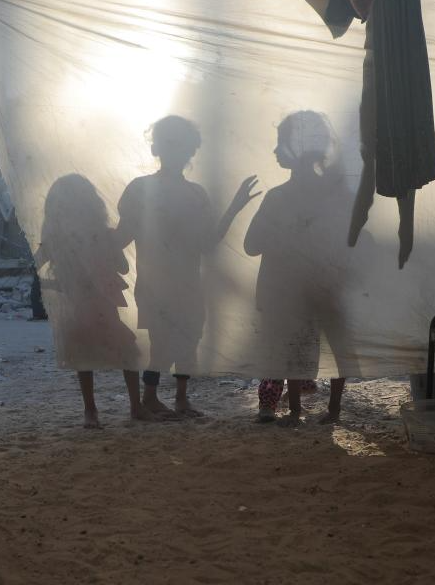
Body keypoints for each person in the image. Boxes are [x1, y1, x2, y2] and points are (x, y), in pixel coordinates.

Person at [116, 115, 259, 417]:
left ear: (190, 151)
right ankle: (151, 397)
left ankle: (180, 398)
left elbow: (206, 243)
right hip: (155, 285)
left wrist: (235, 208)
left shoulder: (195, 194)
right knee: (162, 343)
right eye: (170, 143)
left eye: (181, 145)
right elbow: (122, 236)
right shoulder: (141, 189)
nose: (176, 151)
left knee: (189, 340)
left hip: (188, 284)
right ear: (157, 148)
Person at [244, 111, 350, 426]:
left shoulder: (279, 197)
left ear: (297, 146)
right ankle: (331, 409)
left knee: (292, 348)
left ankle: (294, 410)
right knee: (327, 348)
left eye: (281, 143)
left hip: (285, 290)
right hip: (322, 286)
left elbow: (251, 245)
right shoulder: (335, 195)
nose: (275, 151)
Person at [35, 174, 156, 428]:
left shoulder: (66, 240)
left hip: (90, 309)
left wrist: (58, 283)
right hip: (90, 309)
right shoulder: (74, 239)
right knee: (119, 353)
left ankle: (96, 410)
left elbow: (35, 267)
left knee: (94, 356)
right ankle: (126, 407)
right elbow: (122, 267)